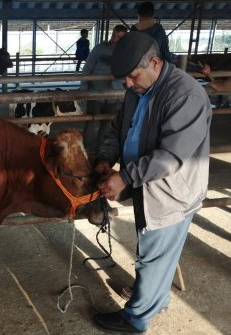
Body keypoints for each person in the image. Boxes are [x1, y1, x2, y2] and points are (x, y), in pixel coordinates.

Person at [92, 31, 212, 334]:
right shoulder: (138, 88)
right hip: (147, 185)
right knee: (155, 251)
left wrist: (125, 176)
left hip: (171, 192)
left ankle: (136, 320)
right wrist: (106, 157)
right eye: (125, 80)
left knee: (153, 254)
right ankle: (155, 299)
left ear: (156, 62)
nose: (128, 85)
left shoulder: (185, 95)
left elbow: (171, 156)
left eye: (132, 77)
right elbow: (120, 126)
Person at [80, 24, 128, 155]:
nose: (115, 39)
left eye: (119, 37)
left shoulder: (127, 53)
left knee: (107, 125)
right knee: (92, 124)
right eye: (114, 36)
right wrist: (83, 90)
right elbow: (87, 69)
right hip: (95, 94)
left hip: (113, 97)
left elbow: (128, 74)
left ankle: (101, 154)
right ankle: (86, 152)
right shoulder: (99, 49)